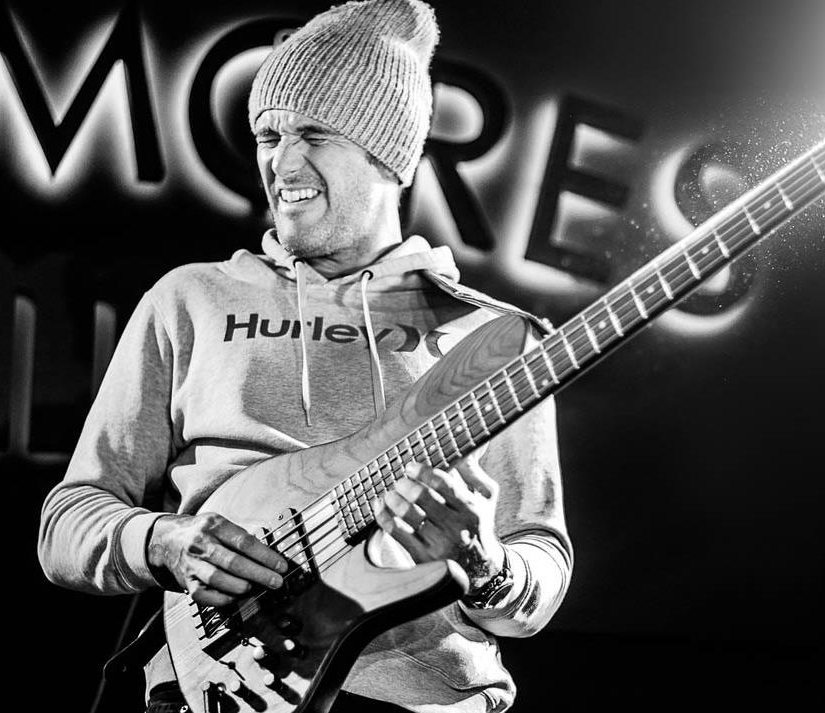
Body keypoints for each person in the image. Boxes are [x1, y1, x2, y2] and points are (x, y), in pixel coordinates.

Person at [37, 1, 571, 711]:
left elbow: (539, 568)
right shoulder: (190, 298)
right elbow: (66, 523)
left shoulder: (491, 338)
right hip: (214, 692)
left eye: (314, 134)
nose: (280, 163)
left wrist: (486, 561)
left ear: (388, 153)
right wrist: (166, 541)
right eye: (268, 134)